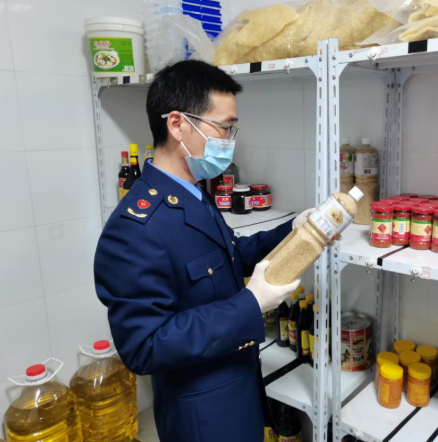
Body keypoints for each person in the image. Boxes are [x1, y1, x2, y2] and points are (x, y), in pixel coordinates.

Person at [94, 60, 314, 442]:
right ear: (178, 125)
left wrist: (294, 231)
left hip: (239, 385)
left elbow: (230, 254)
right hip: (202, 416)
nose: (230, 139)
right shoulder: (133, 229)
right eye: (225, 127)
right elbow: (144, 346)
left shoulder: (193, 193)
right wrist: (250, 304)